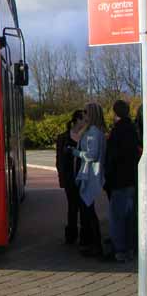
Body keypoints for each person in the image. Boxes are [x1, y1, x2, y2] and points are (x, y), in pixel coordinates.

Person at [104, 100, 139, 262]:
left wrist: (108, 178)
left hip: (119, 180)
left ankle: (120, 251)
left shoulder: (117, 131)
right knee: (130, 217)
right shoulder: (133, 129)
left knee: (117, 217)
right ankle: (131, 248)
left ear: (115, 112)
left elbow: (113, 157)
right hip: (131, 178)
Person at [71, 102, 107, 257]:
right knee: (88, 210)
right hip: (90, 175)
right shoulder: (96, 131)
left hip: (90, 175)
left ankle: (95, 245)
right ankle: (93, 244)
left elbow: (91, 155)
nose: (83, 114)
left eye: (85, 111)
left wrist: (75, 152)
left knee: (88, 211)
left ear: (90, 114)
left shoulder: (93, 132)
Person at [55, 109, 87, 245]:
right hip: (70, 178)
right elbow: (59, 161)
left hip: (84, 177)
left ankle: (86, 236)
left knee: (85, 206)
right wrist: (62, 179)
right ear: (77, 120)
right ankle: (72, 235)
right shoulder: (63, 137)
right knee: (72, 206)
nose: (86, 122)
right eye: (84, 120)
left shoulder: (87, 136)